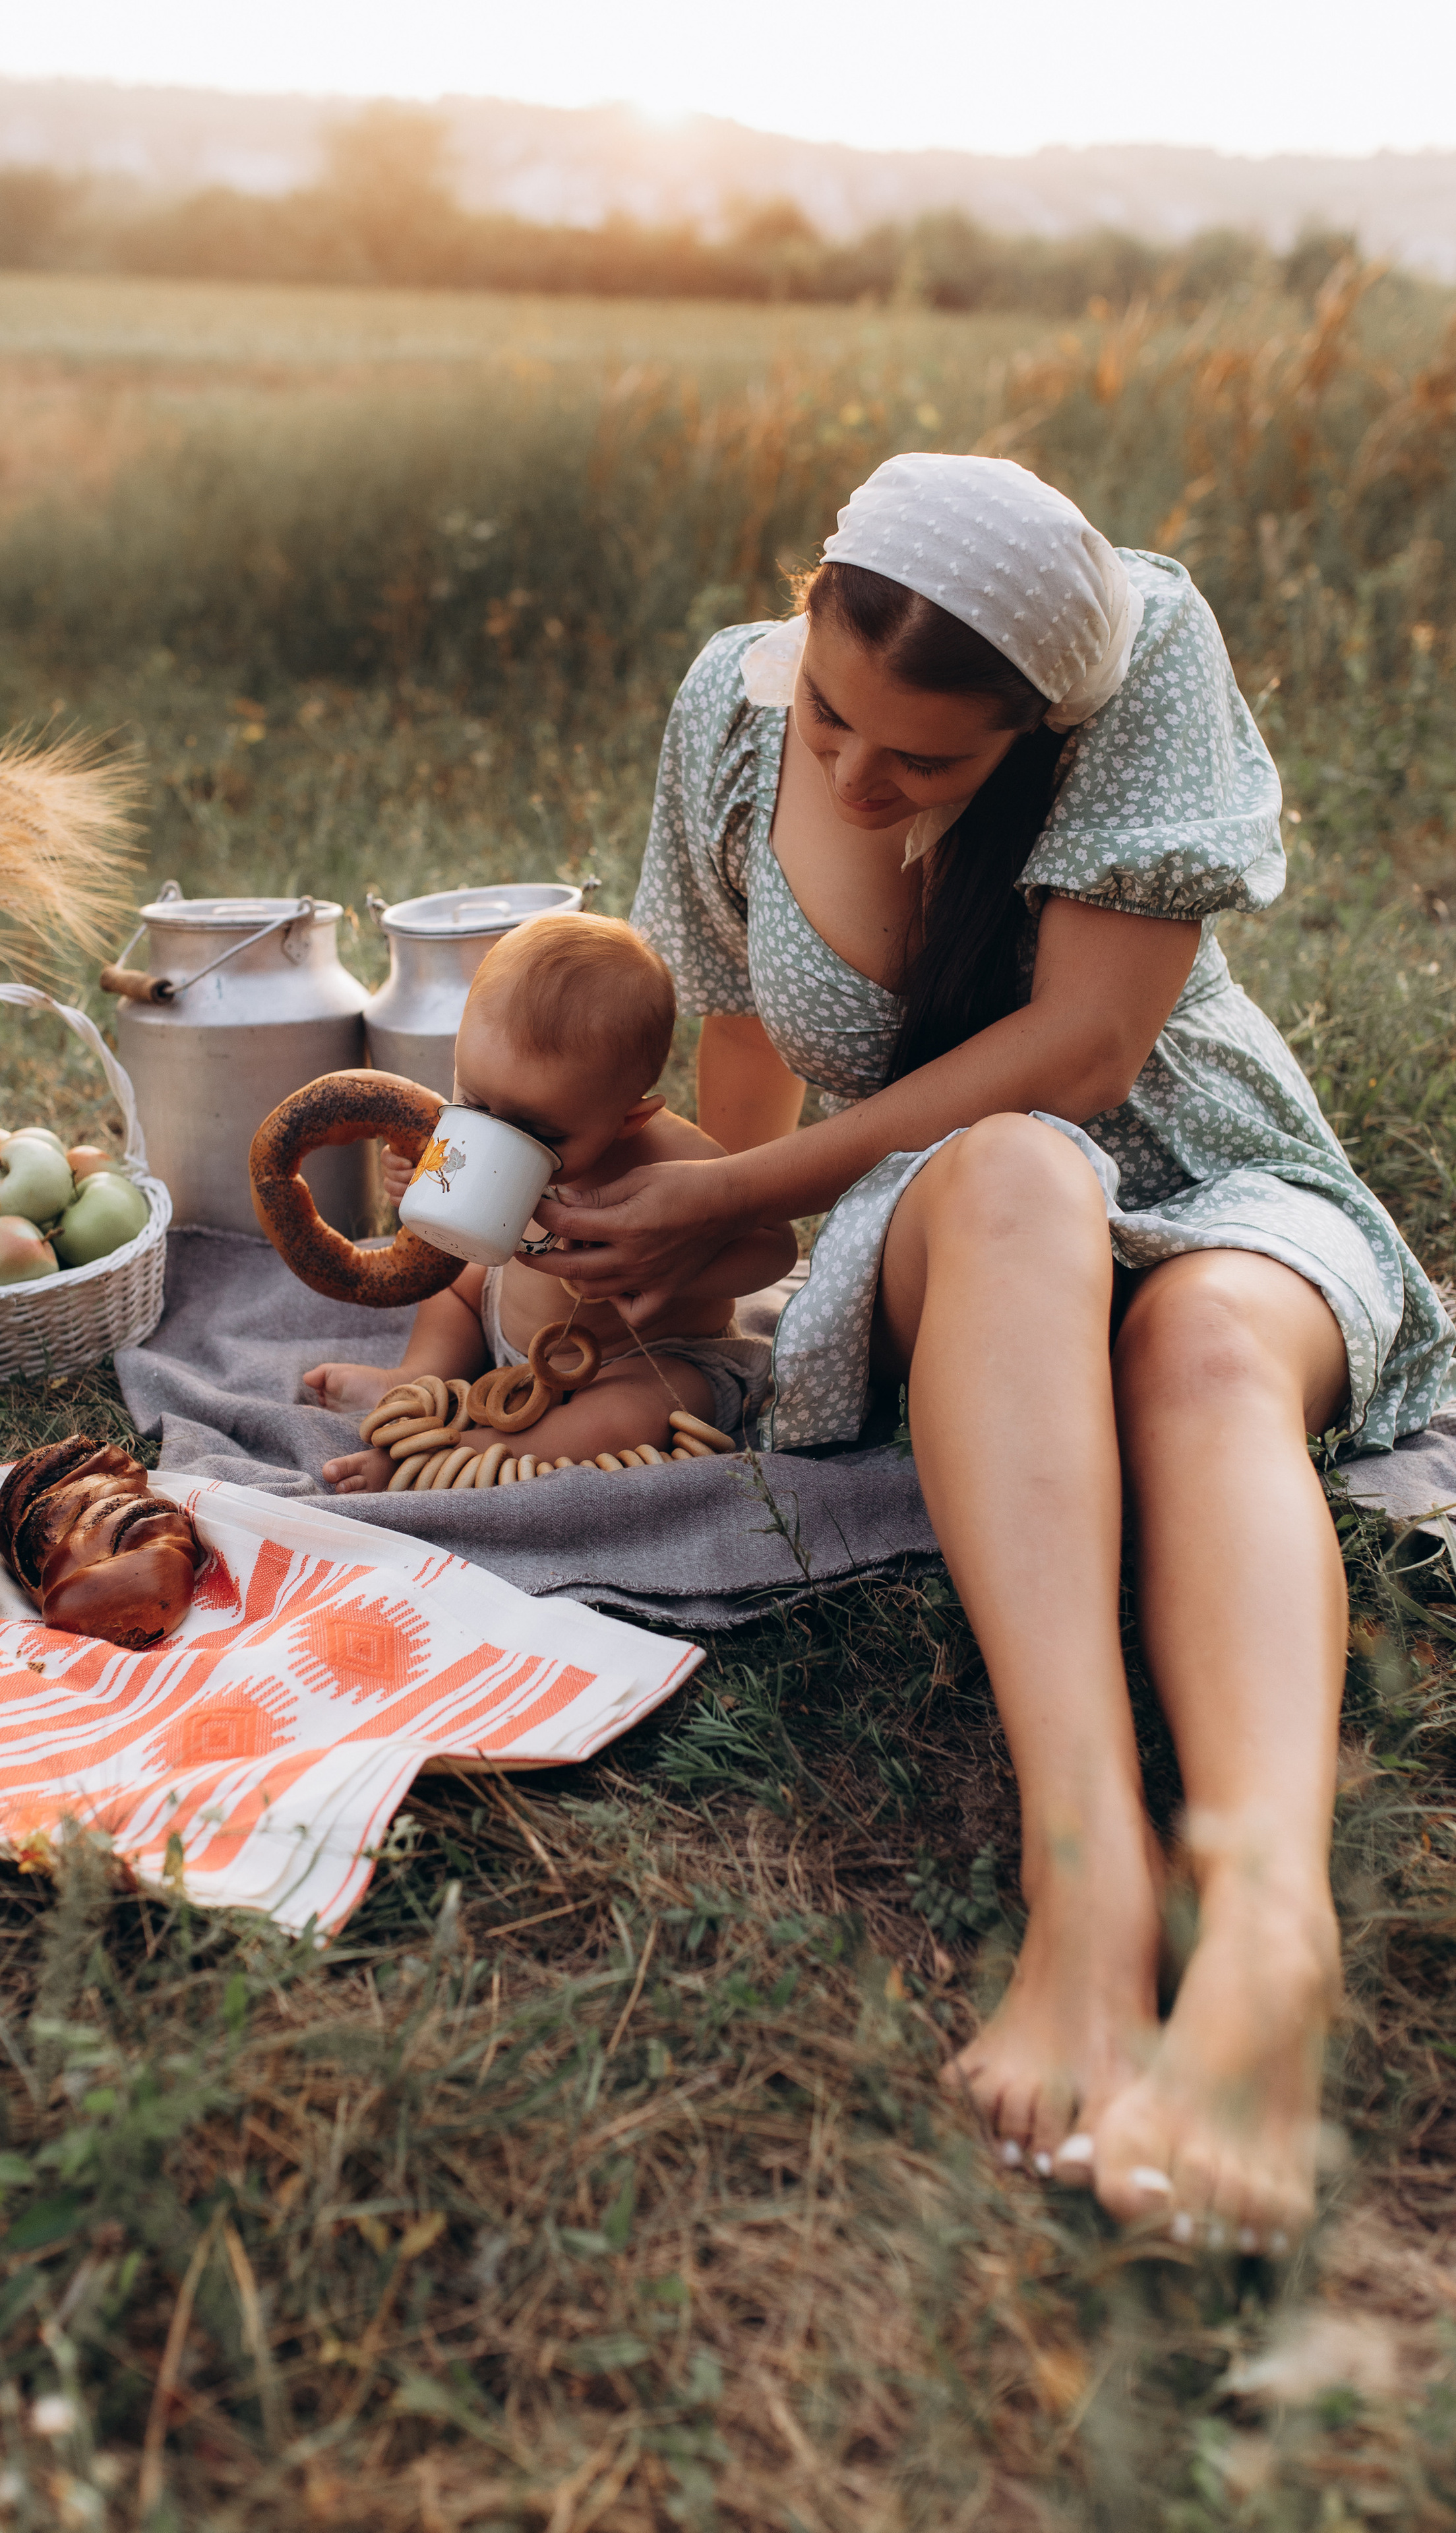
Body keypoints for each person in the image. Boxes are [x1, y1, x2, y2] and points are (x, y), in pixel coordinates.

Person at [527, 453, 1454, 2252]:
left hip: (1218, 1179)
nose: (858, 781)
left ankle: (1272, 1933)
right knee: (1017, 1182)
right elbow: (740, 1058)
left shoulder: (1143, 649)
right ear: (806, 613)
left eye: (926, 763)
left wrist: (774, 1182)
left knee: (1200, 1348)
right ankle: (1085, 1881)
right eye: (835, 724)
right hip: (964, 1223)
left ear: (1032, 727)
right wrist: (694, 1250)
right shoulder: (726, 712)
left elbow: (1090, 1053)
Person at [307, 912, 795, 1487]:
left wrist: (678, 1269)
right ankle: (417, 1379)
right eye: (477, 1105)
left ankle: (468, 1450)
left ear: (628, 1118)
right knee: (456, 1284)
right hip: (503, 1321)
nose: (496, 1133)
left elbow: (777, 1248)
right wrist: (414, 1177)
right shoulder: (494, 1102)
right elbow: (449, 1179)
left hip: (639, 1356)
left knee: (638, 1410)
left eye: (540, 1134)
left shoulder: (675, 1160)